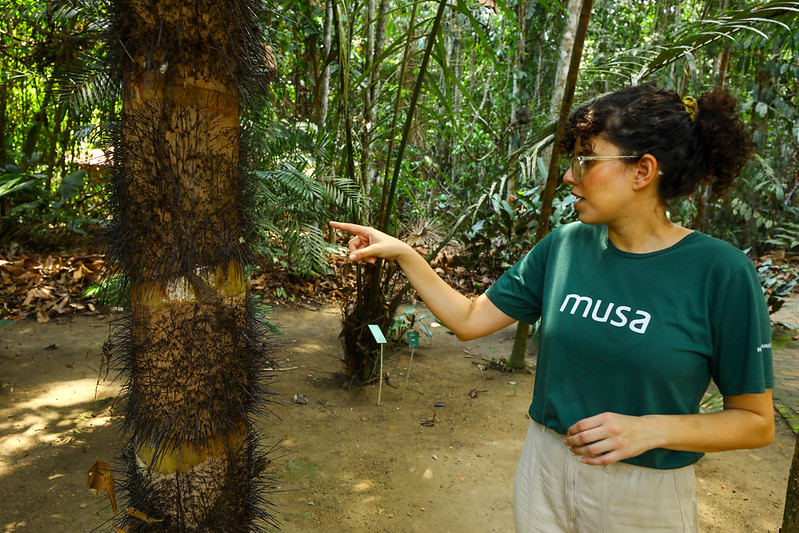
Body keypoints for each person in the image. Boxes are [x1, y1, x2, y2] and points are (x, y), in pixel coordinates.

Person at [330, 83, 775, 532]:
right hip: (545, 468)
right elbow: (469, 319)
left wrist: (652, 430)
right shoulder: (564, 246)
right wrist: (405, 253)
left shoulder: (721, 272)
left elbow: (755, 422)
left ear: (642, 170)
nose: (569, 175)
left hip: (645, 491)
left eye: (586, 159)